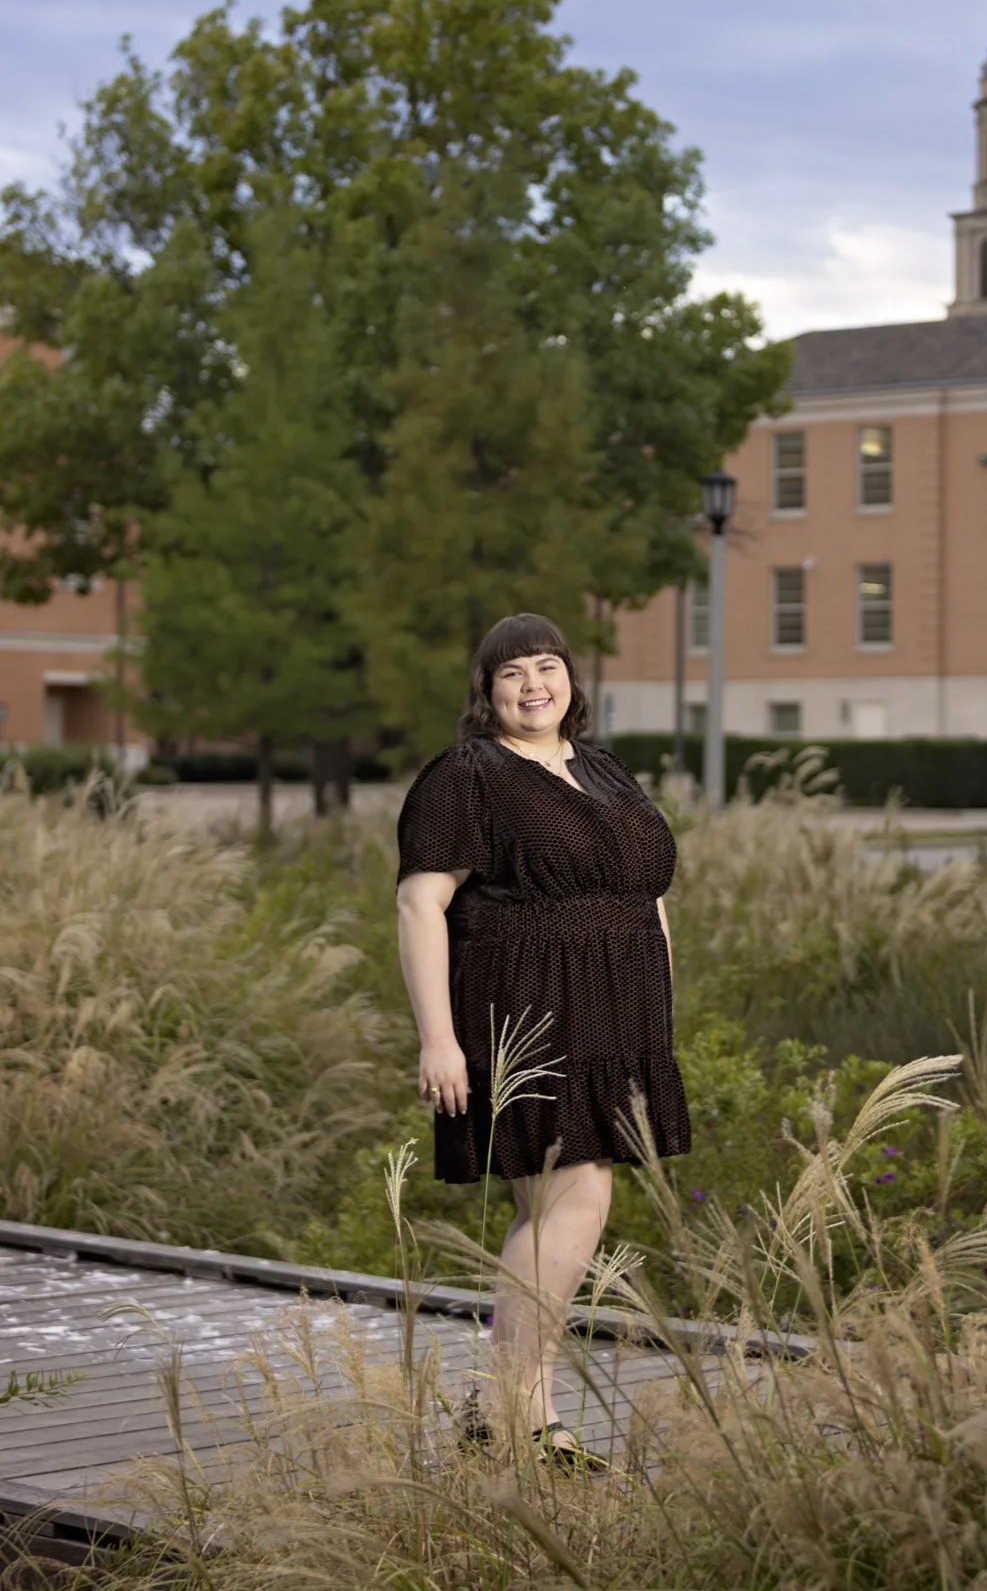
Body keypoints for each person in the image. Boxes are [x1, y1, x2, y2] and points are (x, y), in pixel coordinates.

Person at [395, 612, 690, 1466]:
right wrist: (437, 1041)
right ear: (486, 694)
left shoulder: (601, 769)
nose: (533, 685)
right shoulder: (467, 775)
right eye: (512, 673)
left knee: (546, 1206)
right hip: (524, 998)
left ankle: (500, 1408)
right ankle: (525, 1407)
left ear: (571, 680)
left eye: (546, 666)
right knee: (579, 1196)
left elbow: (645, 891)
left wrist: (658, 1012)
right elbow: (421, 905)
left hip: (617, 1010)